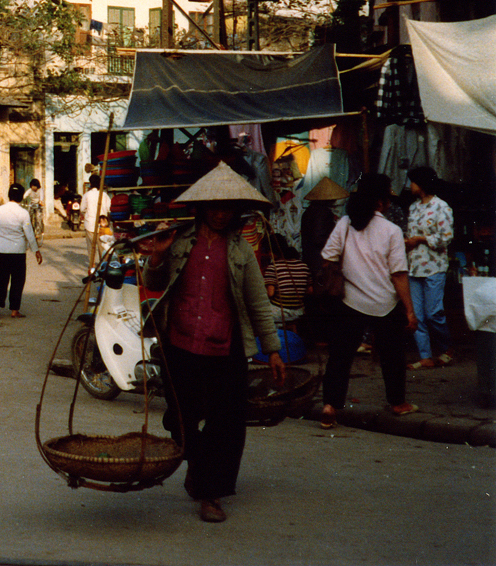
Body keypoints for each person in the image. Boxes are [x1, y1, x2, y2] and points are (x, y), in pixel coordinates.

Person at [140, 162, 284, 524]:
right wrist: (156, 253)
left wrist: (274, 349)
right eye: (214, 206)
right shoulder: (179, 240)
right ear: (201, 206)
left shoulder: (240, 251)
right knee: (180, 420)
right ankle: (200, 469)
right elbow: (153, 281)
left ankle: (210, 493)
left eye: (227, 208)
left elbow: (257, 303)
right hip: (180, 343)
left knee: (227, 424)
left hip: (225, 348)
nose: (220, 214)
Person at [319, 173, 419, 431]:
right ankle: (397, 403)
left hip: (350, 301)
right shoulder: (392, 231)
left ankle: (329, 406)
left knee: (340, 356)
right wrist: (409, 309)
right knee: (392, 356)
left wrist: (350, 269)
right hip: (385, 303)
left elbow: (328, 257)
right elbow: (398, 274)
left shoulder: (344, 223)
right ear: (381, 202)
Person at [403, 166, 455, 370]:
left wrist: (422, 239)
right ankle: (425, 355)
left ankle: (447, 347)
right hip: (414, 266)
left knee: (434, 312)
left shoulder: (442, 207)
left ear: (421, 184)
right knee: (416, 314)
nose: (410, 186)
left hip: (434, 266)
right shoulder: (414, 208)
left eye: (413, 182)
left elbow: (446, 237)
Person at [0, 183, 42, 319]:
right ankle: (14, 310)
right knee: (17, 281)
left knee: (0, 279)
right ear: (22, 197)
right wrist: (36, 250)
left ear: (9, 195)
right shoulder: (23, 213)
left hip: (1, 250)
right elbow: (29, 233)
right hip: (18, 252)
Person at [264, 236, 311, 329]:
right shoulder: (304, 266)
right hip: (299, 312)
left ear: (272, 251)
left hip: (279, 312)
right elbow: (310, 290)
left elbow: (270, 293)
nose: (268, 254)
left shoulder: (273, 267)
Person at [79, 173, 111, 261]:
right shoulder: (104, 195)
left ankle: (92, 266)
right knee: (103, 249)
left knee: (91, 249)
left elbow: (82, 209)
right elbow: (109, 208)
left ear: (90, 183)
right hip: (103, 224)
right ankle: (104, 267)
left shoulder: (87, 195)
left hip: (90, 225)